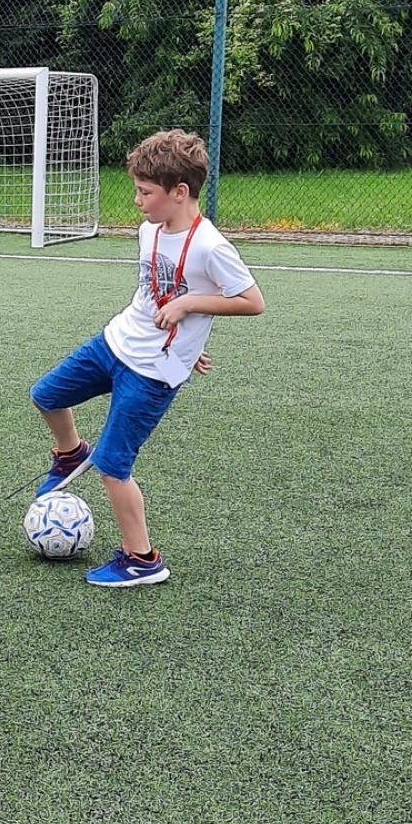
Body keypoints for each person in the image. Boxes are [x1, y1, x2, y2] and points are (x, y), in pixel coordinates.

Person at [30, 130, 265, 588]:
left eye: (145, 192)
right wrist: (188, 336)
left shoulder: (210, 246)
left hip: (153, 372)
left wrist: (189, 308)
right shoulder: (149, 231)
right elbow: (154, 291)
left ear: (179, 193)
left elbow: (252, 301)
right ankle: (69, 453)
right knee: (45, 394)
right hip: (116, 342)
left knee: (114, 467)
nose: (136, 201)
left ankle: (142, 560)